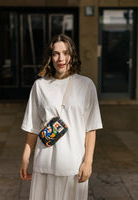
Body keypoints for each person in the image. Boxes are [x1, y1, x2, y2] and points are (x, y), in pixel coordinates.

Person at [20, 34, 103, 200]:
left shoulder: (86, 85)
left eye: (66, 53)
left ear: (72, 55)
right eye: (56, 53)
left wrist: (88, 162)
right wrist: (25, 158)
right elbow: (33, 127)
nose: (61, 58)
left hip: (73, 166)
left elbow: (91, 128)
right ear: (50, 57)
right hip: (44, 164)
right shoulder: (40, 86)